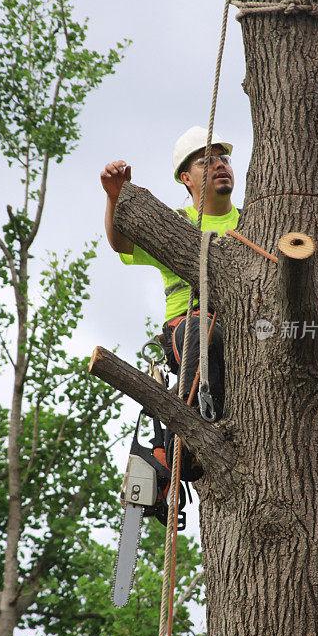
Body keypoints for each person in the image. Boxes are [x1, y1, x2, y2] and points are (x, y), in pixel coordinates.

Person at [100, 125, 239, 431]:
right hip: (191, 326)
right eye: (206, 161)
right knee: (201, 331)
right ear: (185, 178)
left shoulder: (252, 221)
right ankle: (192, 435)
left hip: (241, 329)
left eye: (224, 159)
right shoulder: (175, 225)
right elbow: (121, 243)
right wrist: (114, 198)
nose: (219, 165)